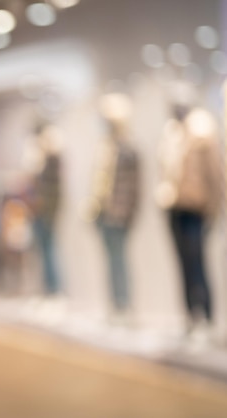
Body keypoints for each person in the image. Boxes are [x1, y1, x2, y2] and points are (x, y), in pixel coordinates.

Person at [156, 106, 222, 339]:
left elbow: (215, 174)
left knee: (197, 263)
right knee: (182, 264)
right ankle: (190, 317)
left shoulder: (202, 135)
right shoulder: (171, 136)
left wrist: (214, 208)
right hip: (174, 207)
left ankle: (206, 316)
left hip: (195, 209)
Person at [90, 94, 140, 319]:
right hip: (104, 212)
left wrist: (128, 214)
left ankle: (124, 305)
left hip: (119, 214)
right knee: (111, 262)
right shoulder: (106, 148)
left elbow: (134, 187)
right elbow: (100, 182)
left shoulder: (127, 149)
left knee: (119, 261)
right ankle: (116, 305)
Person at [23, 123, 63, 296]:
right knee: (42, 251)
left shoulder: (52, 160)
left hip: (46, 213)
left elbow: (51, 192)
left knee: (49, 251)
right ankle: (48, 290)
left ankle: (54, 290)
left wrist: (49, 212)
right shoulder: (43, 160)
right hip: (39, 212)